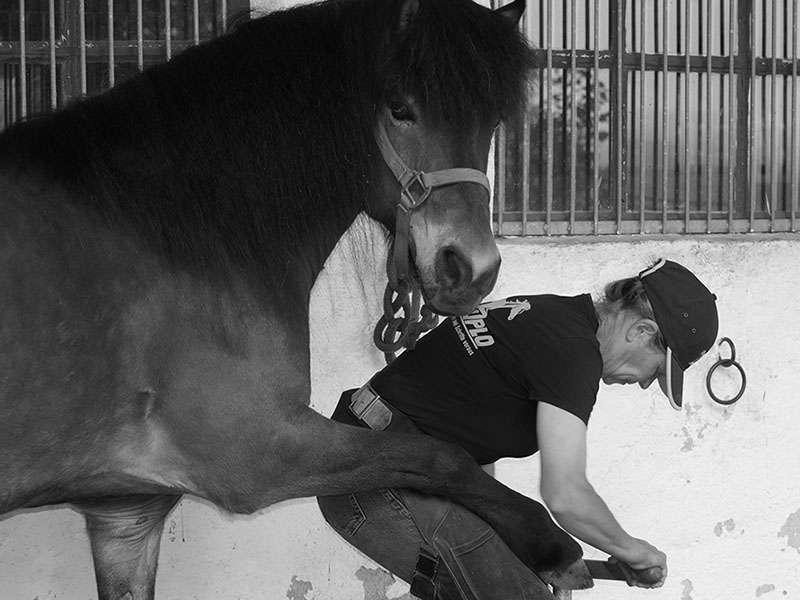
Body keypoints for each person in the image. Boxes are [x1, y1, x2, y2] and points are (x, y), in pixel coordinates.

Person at [317, 258, 718, 599]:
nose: (647, 383)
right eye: (657, 369)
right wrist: (633, 551)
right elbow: (566, 495)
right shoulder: (573, 355)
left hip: (379, 459)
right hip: (376, 476)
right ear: (642, 332)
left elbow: (467, 451)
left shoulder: (551, 315)